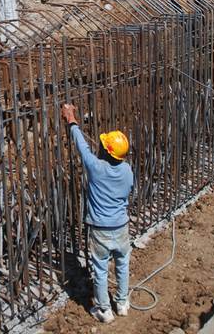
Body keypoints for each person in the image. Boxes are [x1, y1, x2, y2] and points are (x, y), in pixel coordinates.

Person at [61, 103, 134, 324]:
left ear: (106, 151)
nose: (99, 147)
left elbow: (81, 145)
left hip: (100, 230)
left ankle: (104, 310)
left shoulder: (95, 167)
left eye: (103, 145)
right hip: (121, 226)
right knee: (122, 265)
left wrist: (71, 119)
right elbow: (131, 191)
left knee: (101, 270)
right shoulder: (127, 170)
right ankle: (121, 303)